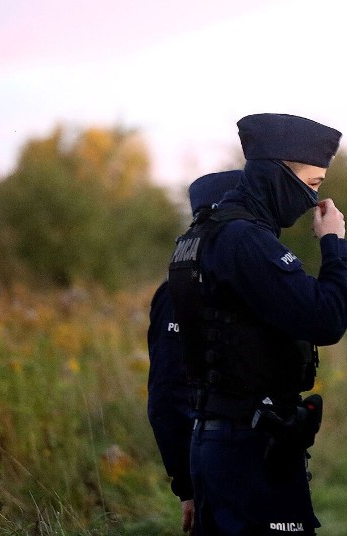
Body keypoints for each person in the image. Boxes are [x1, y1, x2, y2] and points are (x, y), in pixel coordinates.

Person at [168, 113, 347, 535]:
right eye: (312, 185)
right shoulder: (245, 240)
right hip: (248, 447)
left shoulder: (200, 234)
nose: (313, 200)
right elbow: (326, 320)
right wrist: (335, 245)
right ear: (278, 175)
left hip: (216, 440)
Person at [147, 170, 242, 534]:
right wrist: (186, 486)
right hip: (214, 468)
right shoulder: (178, 293)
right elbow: (167, 396)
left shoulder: (252, 277)